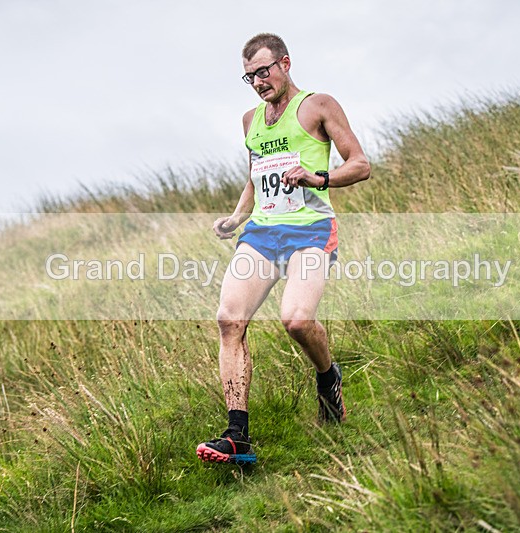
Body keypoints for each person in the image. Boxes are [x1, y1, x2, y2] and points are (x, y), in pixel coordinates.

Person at [196, 33, 371, 465]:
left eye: (263, 71)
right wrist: (239, 216)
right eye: (249, 76)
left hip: (311, 230)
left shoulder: (318, 106)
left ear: (285, 63)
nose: (258, 82)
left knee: (296, 321)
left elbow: (360, 164)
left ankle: (328, 377)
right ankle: (237, 436)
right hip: (262, 233)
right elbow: (257, 176)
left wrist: (319, 178)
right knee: (228, 320)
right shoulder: (250, 120)